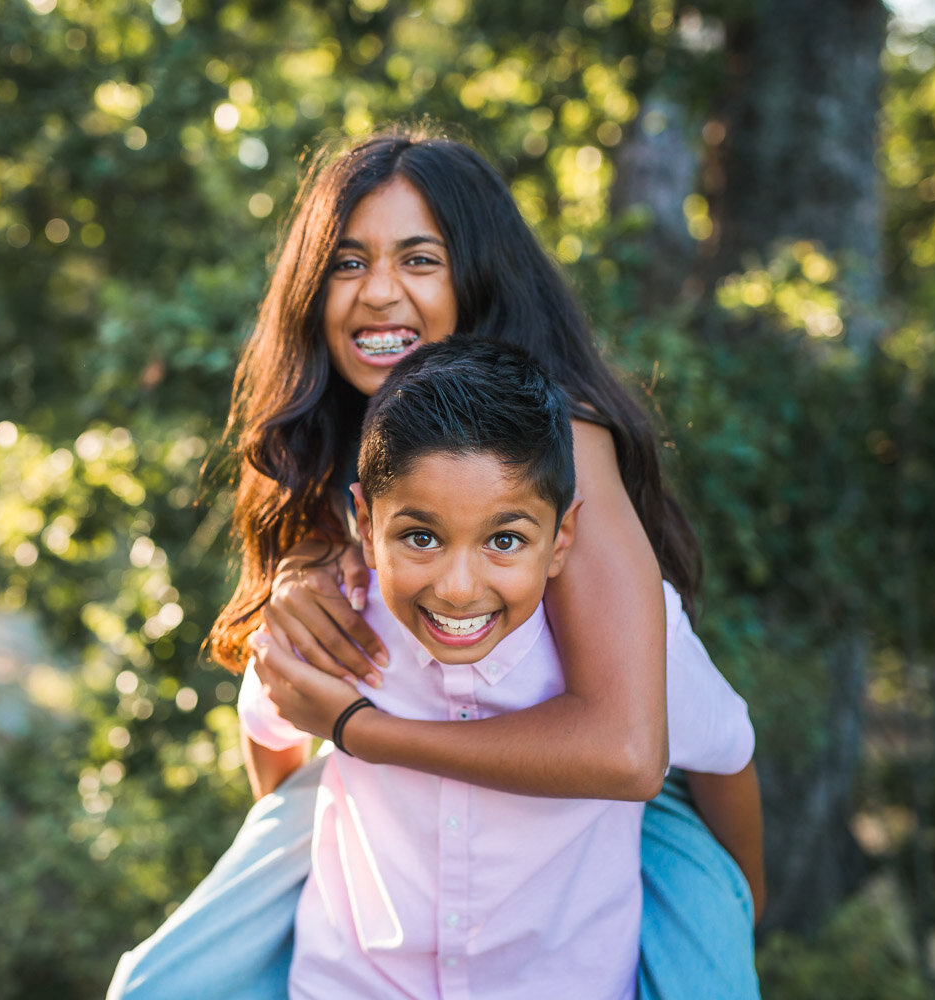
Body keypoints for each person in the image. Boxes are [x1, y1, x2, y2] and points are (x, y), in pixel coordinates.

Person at [108, 127, 763, 1000]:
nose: (380, 293)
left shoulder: (555, 437)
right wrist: (300, 576)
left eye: (420, 260)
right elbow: (276, 721)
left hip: (588, 783)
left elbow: (632, 748)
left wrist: (359, 732)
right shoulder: (332, 435)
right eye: (347, 263)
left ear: (476, 278)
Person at [238, 338, 760, 998]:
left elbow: (728, 752)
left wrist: (738, 913)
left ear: (561, 538)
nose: (459, 587)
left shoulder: (624, 640)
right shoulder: (335, 617)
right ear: (366, 526)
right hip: (351, 982)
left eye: (504, 540)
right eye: (420, 537)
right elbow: (266, 721)